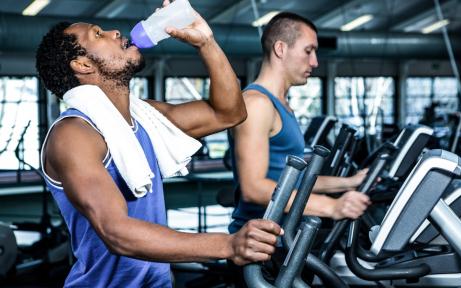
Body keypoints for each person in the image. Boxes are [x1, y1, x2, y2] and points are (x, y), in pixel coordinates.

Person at [35, 2, 282, 287]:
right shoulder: (73, 134)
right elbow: (116, 231)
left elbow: (229, 113)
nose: (115, 32)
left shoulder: (145, 117)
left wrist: (207, 43)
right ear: (83, 64)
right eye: (98, 34)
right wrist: (229, 245)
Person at [228, 12, 371, 285]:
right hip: (258, 251)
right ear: (280, 49)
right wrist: (332, 207)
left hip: (284, 244)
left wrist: (348, 182)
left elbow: (288, 179)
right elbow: (254, 187)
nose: (315, 62)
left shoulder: (282, 105)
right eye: (308, 51)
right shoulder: (257, 103)